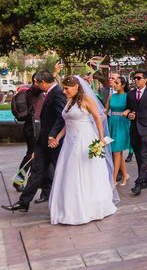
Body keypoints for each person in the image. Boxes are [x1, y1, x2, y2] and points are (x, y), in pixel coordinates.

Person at [47, 76, 117, 225]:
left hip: (84, 140)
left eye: (67, 88)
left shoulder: (86, 99)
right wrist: (58, 137)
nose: (64, 91)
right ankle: (69, 208)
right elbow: (68, 123)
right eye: (63, 88)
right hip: (69, 142)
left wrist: (100, 139)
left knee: (83, 171)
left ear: (76, 87)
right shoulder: (69, 101)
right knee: (68, 172)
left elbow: (98, 119)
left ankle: (89, 206)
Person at [3, 70, 66, 213]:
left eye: (36, 82)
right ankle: (23, 203)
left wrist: (52, 136)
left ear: (42, 82)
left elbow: (61, 117)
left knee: (60, 171)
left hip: (53, 142)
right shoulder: (48, 92)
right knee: (36, 171)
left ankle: (66, 199)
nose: (35, 85)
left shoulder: (57, 93)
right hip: (43, 142)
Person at [123, 69, 147, 196]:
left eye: (138, 78)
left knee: (144, 156)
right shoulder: (130, 94)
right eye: (135, 78)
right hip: (134, 129)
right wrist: (129, 114)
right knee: (139, 157)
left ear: (145, 79)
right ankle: (145, 181)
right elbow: (128, 109)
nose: (136, 80)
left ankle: (138, 183)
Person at [106, 76, 131, 186]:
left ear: (123, 85)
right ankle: (125, 175)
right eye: (114, 82)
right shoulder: (111, 96)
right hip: (112, 123)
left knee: (116, 151)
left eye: (117, 83)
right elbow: (105, 112)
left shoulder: (128, 96)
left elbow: (133, 108)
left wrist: (128, 110)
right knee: (118, 152)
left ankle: (113, 179)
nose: (114, 84)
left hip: (122, 124)